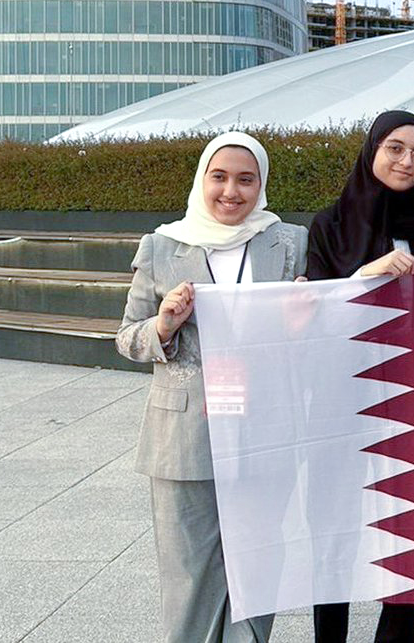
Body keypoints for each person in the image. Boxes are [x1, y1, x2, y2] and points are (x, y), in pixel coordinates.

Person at [116, 131, 308, 643]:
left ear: (262, 184)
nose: (231, 191)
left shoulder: (289, 242)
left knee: (259, 563)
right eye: (219, 177)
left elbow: (312, 333)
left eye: (246, 180)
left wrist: (299, 321)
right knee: (189, 573)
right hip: (183, 434)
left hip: (265, 427)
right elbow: (126, 338)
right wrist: (163, 325)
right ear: (202, 178)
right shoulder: (162, 244)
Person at [307, 110, 414, 643]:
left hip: (412, 400)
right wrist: (362, 277)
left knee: (404, 529)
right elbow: (310, 312)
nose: (406, 161)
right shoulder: (330, 226)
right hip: (341, 400)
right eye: (395, 148)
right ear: (372, 151)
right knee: (336, 533)